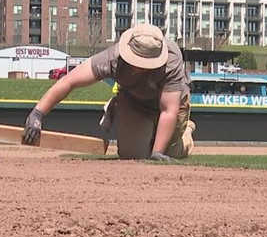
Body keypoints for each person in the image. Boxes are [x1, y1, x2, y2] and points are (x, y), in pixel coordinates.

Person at [21, 23, 194, 160]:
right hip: (134, 102)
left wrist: (157, 152)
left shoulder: (172, 61)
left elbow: (168, 110)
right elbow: (69, 81)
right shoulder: (113, 58)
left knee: (167, 152)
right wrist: (37, 114)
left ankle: (185, 136)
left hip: (171, 104)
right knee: (132, 154)